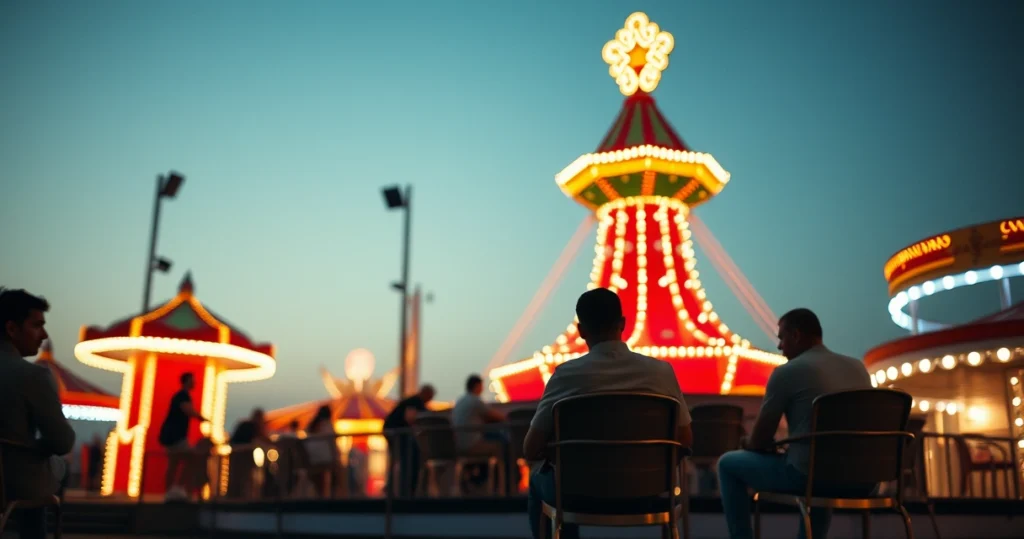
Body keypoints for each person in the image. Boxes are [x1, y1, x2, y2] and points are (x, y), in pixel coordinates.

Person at [523, 288, 693, 539]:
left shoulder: (565, 376)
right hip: (650, 491)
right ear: (622, 323)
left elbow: (530, 449)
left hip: (577, 494)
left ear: (581, 330)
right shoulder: (662, 373)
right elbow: (686, 439)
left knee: (538, 479)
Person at [717, 308, 874, 539]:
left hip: (813, 477)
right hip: (863, 479)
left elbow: (760, 440)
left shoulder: (787, 372)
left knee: (727, 464)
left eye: (781, 338)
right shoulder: (858, 368)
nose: (779, 346)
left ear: (796, 335)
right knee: (820, 462)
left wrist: (747, 442)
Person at [0, 288, 75, 539]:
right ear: (12, 329)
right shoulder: (33, 376)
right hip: (13, 479)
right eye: (37, 325)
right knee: (54, 467)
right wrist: (36, 445)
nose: (44, 335)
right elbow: (62, 442)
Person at [157, 372, 208, 501]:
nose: (194, 383)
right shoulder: (182, 396)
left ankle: (172, 490)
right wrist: (201, 417)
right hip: (176, 437)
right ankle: (177, 488)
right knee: (191, 458)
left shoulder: (181, 396)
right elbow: (188, 410)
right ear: (187, 381)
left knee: (174, 463)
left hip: (174, 436)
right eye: (192, 380)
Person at [452, 374, 507, 492]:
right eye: (482, 386)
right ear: (477, 386)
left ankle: (481, 480)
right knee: (503, 444)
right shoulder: (475, 401)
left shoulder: (460, 401)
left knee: (493, 438)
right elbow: (498, 417)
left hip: (459, 445)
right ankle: (505, 485)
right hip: (473, 444)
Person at [382, 384, 436, 497]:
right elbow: (410, 419)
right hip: (397, 432)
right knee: (406, 459)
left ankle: (393, 488)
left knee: (397, 459)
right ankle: (404, 490)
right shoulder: (415, 402)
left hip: (393, 431)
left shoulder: (414, 402)